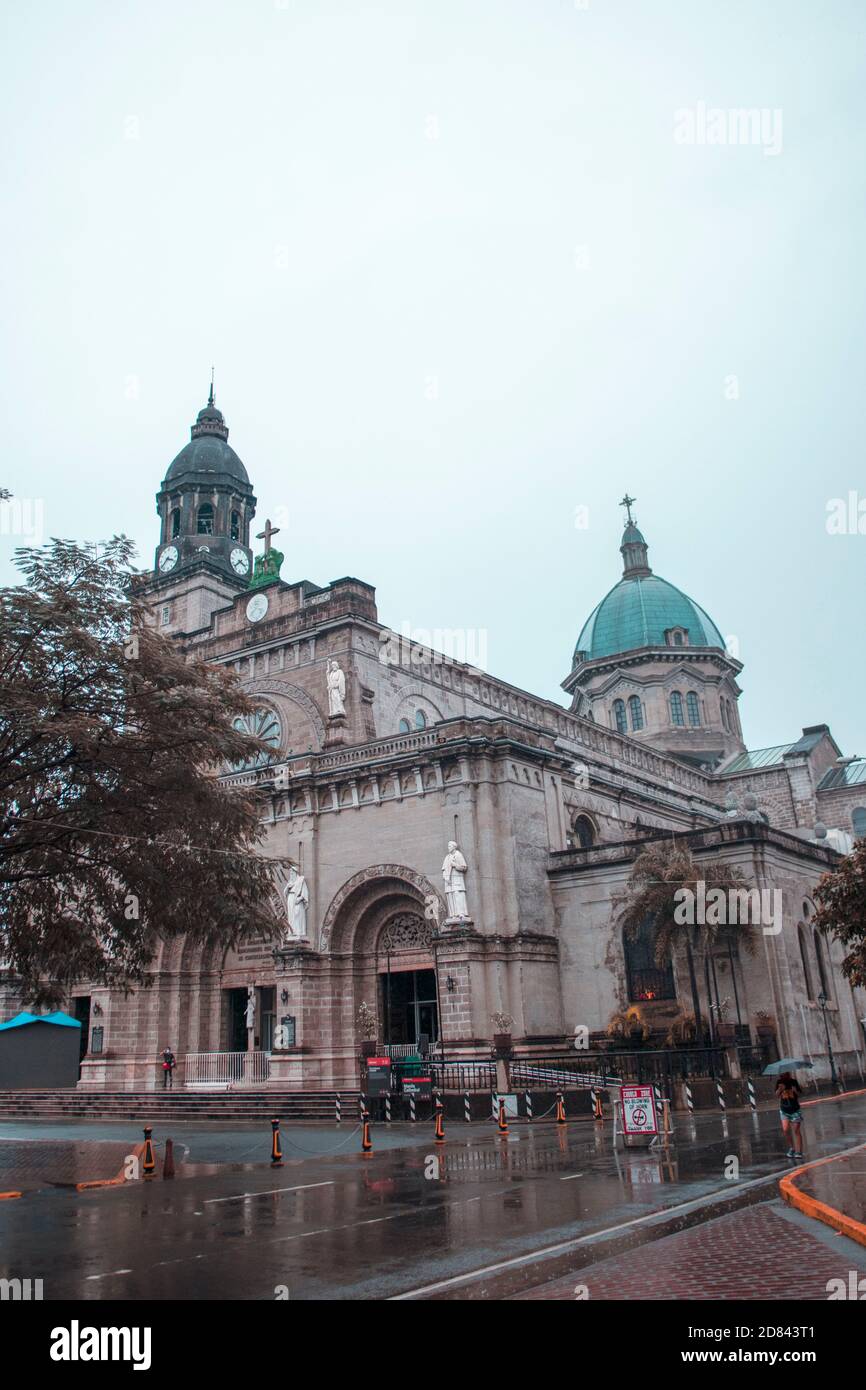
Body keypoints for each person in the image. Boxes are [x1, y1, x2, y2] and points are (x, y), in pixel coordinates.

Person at [775, 1071, 803, 1159]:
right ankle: (792, 1148)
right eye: (782, 1074)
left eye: (785, 1074)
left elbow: (799, 1094)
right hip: (784, 1110)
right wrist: (780, 1089)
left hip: (795, 1110)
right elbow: (776, 1095)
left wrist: (794, 1091)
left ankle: (799, 1151)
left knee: (796, 1130)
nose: (783, 1076)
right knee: (785, 1129)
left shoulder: (793, 1082)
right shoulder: (779, 1082)